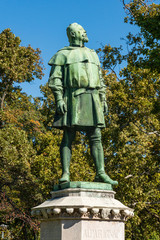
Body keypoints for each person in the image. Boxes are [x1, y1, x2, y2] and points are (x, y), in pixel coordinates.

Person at [48, 23, 118, 185]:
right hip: (72, 96)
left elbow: (100, 80)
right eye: (81, 31)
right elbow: (55, 79)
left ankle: (101, 172)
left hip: (92, 97)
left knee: (96, 136)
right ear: (73, 34)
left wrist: (103, 98)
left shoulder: (93, 54)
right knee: (68, 136)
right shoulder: (62, 55)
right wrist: (59, 98)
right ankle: (65, 173)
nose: (85, 32)